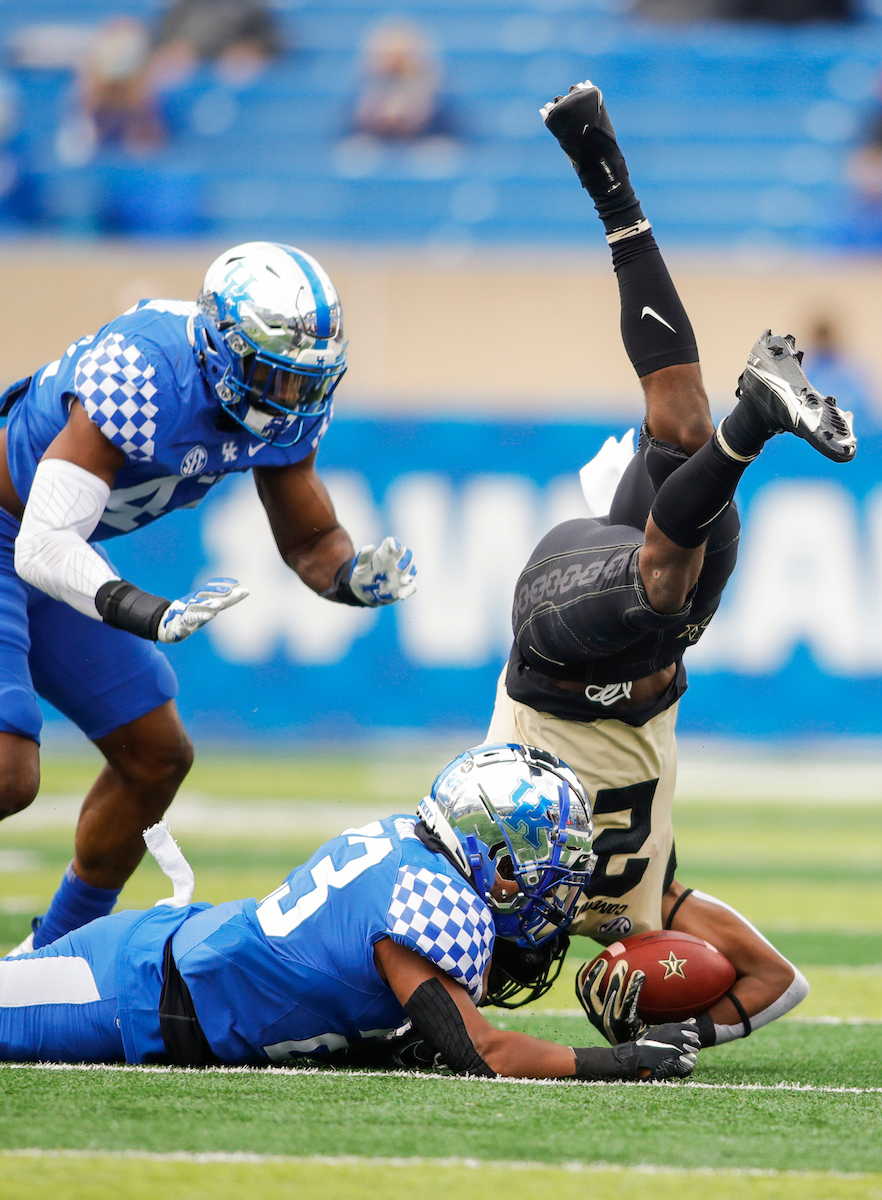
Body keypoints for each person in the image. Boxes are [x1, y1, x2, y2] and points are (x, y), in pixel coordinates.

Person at [482, 82, 857, 1052]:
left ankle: (751, 422)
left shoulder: (477, 873)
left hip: (558, 648)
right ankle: (607, 177)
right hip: (663, 632)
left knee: (660, 589)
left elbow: (400, 950)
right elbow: (778, 983)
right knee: (682, 435)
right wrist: (676, 1035)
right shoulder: (652, 903)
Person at [0, 241, 417, 957]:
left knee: (155, 757)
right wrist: (147, 610)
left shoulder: (279, 408)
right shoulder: (143, 371)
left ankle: (50, 953)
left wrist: (352, 578)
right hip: (17, 533)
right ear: (223, 350)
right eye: (275, 377)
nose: (291, 400)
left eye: (305, 383)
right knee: (10, 773)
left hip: (49, 545)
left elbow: (311, 541)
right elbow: (42, 545)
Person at [0, 743, 700, 1082]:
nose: (555, 886)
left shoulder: (416, 849)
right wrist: (618, 1061)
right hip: (131, 989)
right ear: (491, 850)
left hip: (164, 973)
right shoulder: (431, 900)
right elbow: (482, 1054)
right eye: (543, 861)